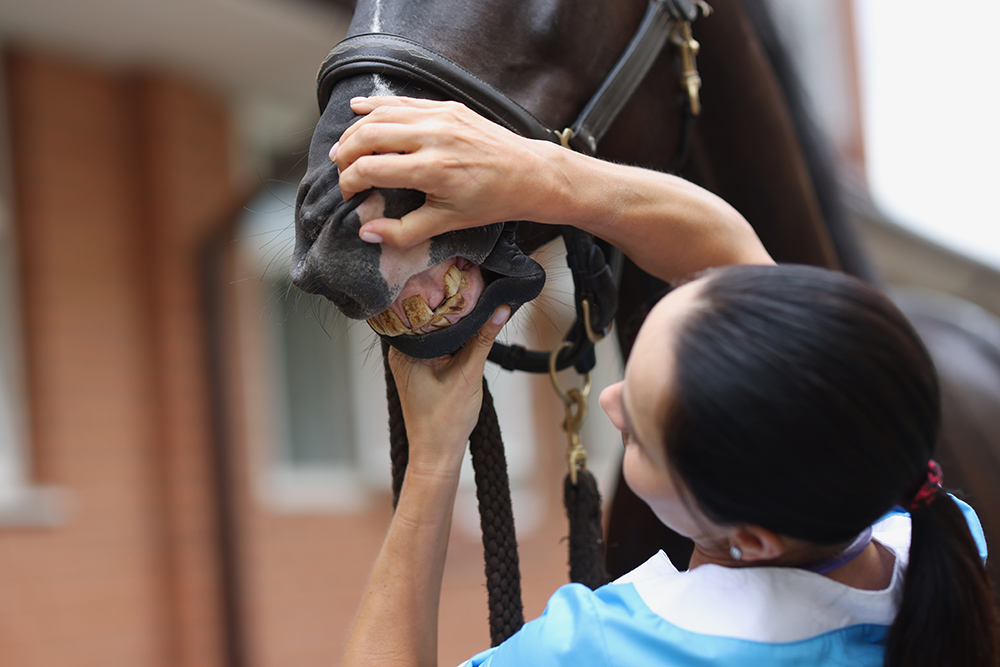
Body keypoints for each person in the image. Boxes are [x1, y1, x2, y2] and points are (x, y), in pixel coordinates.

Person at [330, 96, 1000, 666]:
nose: (611, 401)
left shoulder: (606, 648)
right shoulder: (910, 533)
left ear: (753, 540)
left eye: (641, 441)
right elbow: (730, 256)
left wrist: (433, 458)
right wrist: (537, 171)